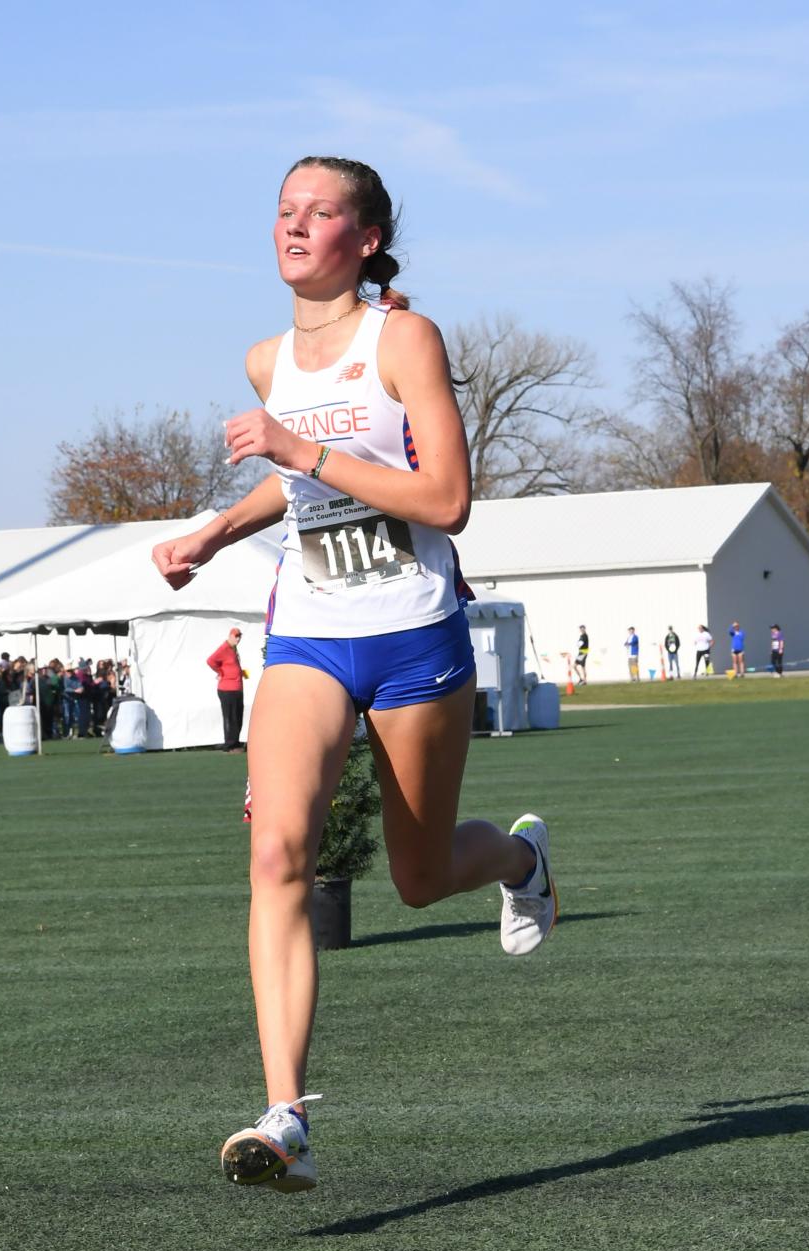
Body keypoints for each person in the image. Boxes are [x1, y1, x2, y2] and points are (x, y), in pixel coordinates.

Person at [151, 155, 558, 1195]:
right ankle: (285, 1118)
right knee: (278, 854)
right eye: (283, 209)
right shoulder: (264, 359)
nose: (293, 226)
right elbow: (294, 492)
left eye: (319, 212)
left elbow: (447, 498)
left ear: (365, 237)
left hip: (417, 633)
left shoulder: (405, 338)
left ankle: (519, 865)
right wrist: (212, 530)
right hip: (312, 634)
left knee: (419, 879)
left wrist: (302, 449)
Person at [207, 627, 246, 751]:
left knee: (238, 716)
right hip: (227, 689)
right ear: (230, 636)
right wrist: (220, 672)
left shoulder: (233, 649)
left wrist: (240, 672)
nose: (238, 639)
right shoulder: (224, 648)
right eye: (236, 636)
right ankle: (229, 743)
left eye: (239, 636)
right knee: (230, 716)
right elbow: (210, 660)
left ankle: (235, 741)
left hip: (237, 687)